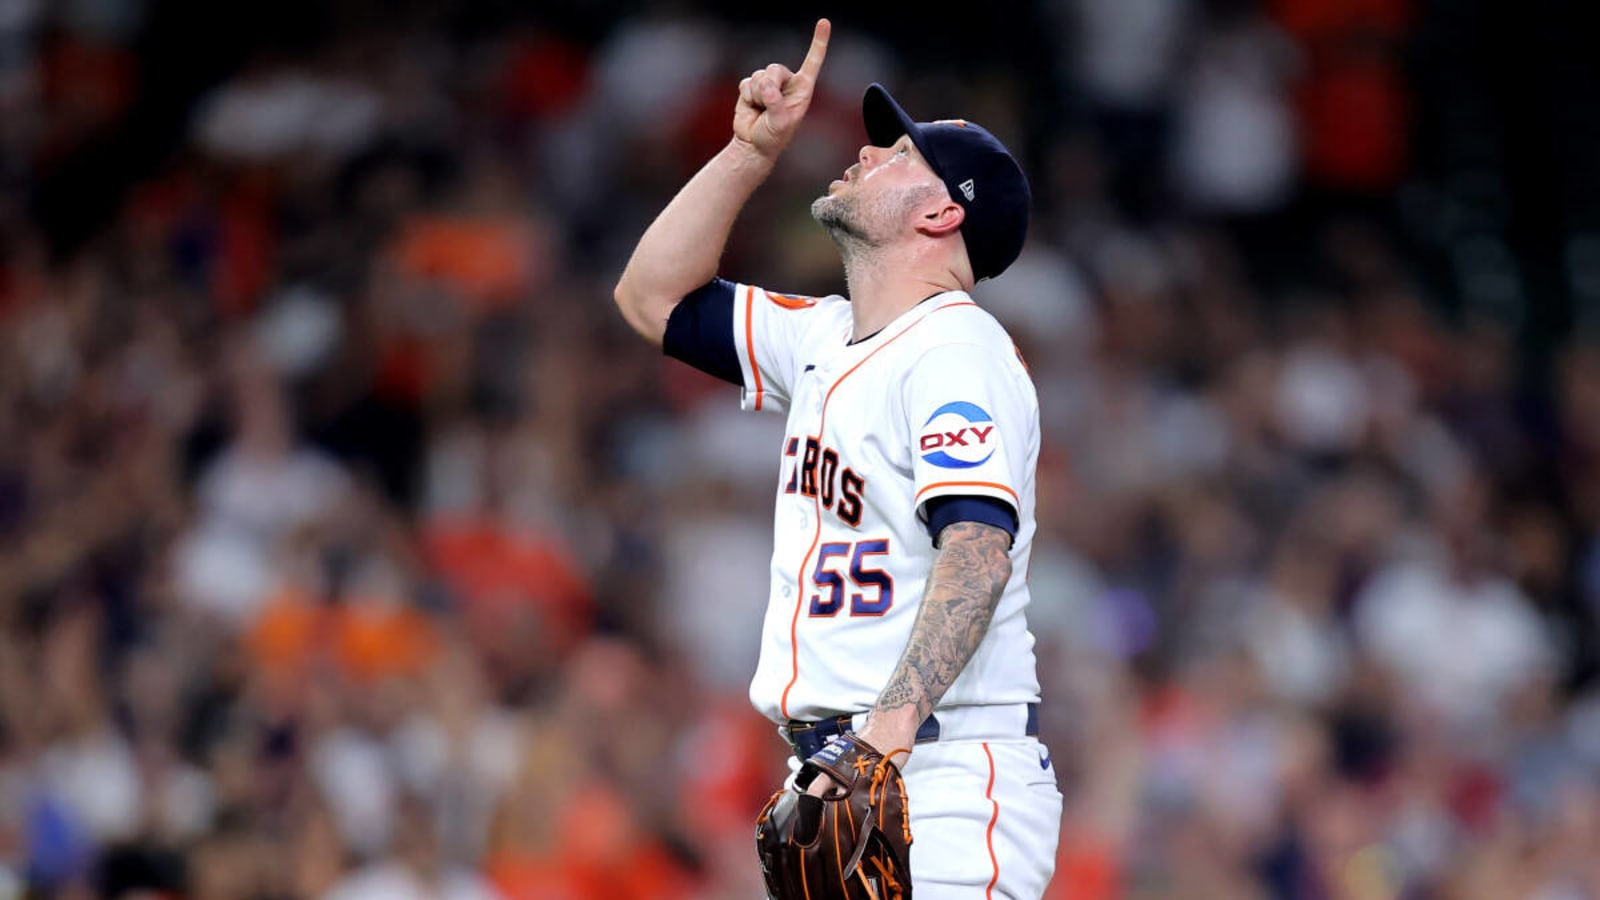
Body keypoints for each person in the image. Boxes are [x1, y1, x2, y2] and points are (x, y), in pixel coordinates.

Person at [614, 19, 1061, 896]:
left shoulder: (955, 348)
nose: (866, 152)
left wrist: (881, 740)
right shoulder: (822, 335)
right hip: (845, 768)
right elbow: (651, 297)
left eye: (900, 156)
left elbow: (977, 551)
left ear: (942, 213)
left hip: (939, 776)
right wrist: (749, 152)